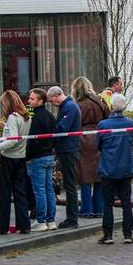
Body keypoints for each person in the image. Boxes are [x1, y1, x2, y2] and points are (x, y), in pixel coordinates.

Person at [96, 93, 133, 245]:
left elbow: (98, 145)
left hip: (108, 168)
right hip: (126, 167)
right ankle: (128, 234)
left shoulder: (103, 125)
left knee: (107, 203)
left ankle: (108, 235)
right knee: (126, 201)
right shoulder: (130, 123)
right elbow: (132, 140)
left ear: (112, 106)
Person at [0, 90, 31, 235]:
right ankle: (24, 225)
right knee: (20, 192)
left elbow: (13, 139)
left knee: (5, 193)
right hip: (21, 157)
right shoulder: (26, 117)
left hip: (9, 157)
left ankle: (3, 226)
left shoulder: (12, 118)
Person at [74, 77, 110, 218]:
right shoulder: (100, 101)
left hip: (83, 140)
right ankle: (99, 209)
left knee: (85, 176)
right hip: (99, 138)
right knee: (98, 175)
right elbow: (108, 117)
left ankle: (86, 209)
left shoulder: (78, 105)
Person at [49, 85, 82, 229]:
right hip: (67, 149)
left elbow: (62, 128)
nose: (52, 103)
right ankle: (72, 217)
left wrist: (49, 132)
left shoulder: (69, 107)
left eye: (51, 100)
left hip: (68, 150)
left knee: (70, 185)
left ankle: (72, 218)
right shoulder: (67, 106)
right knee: (69, 184)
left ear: (57, 96)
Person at [25, 88, 58, 231]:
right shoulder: (50, 116)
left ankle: (41, 221)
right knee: (49, 189)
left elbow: (32, 140)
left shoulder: (36, 118)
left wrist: (27, 156)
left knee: (39, 191)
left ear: (40, 101)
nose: (29, 101)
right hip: (49, 156)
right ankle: (51, 221)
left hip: (37, 158)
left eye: (32, 99)